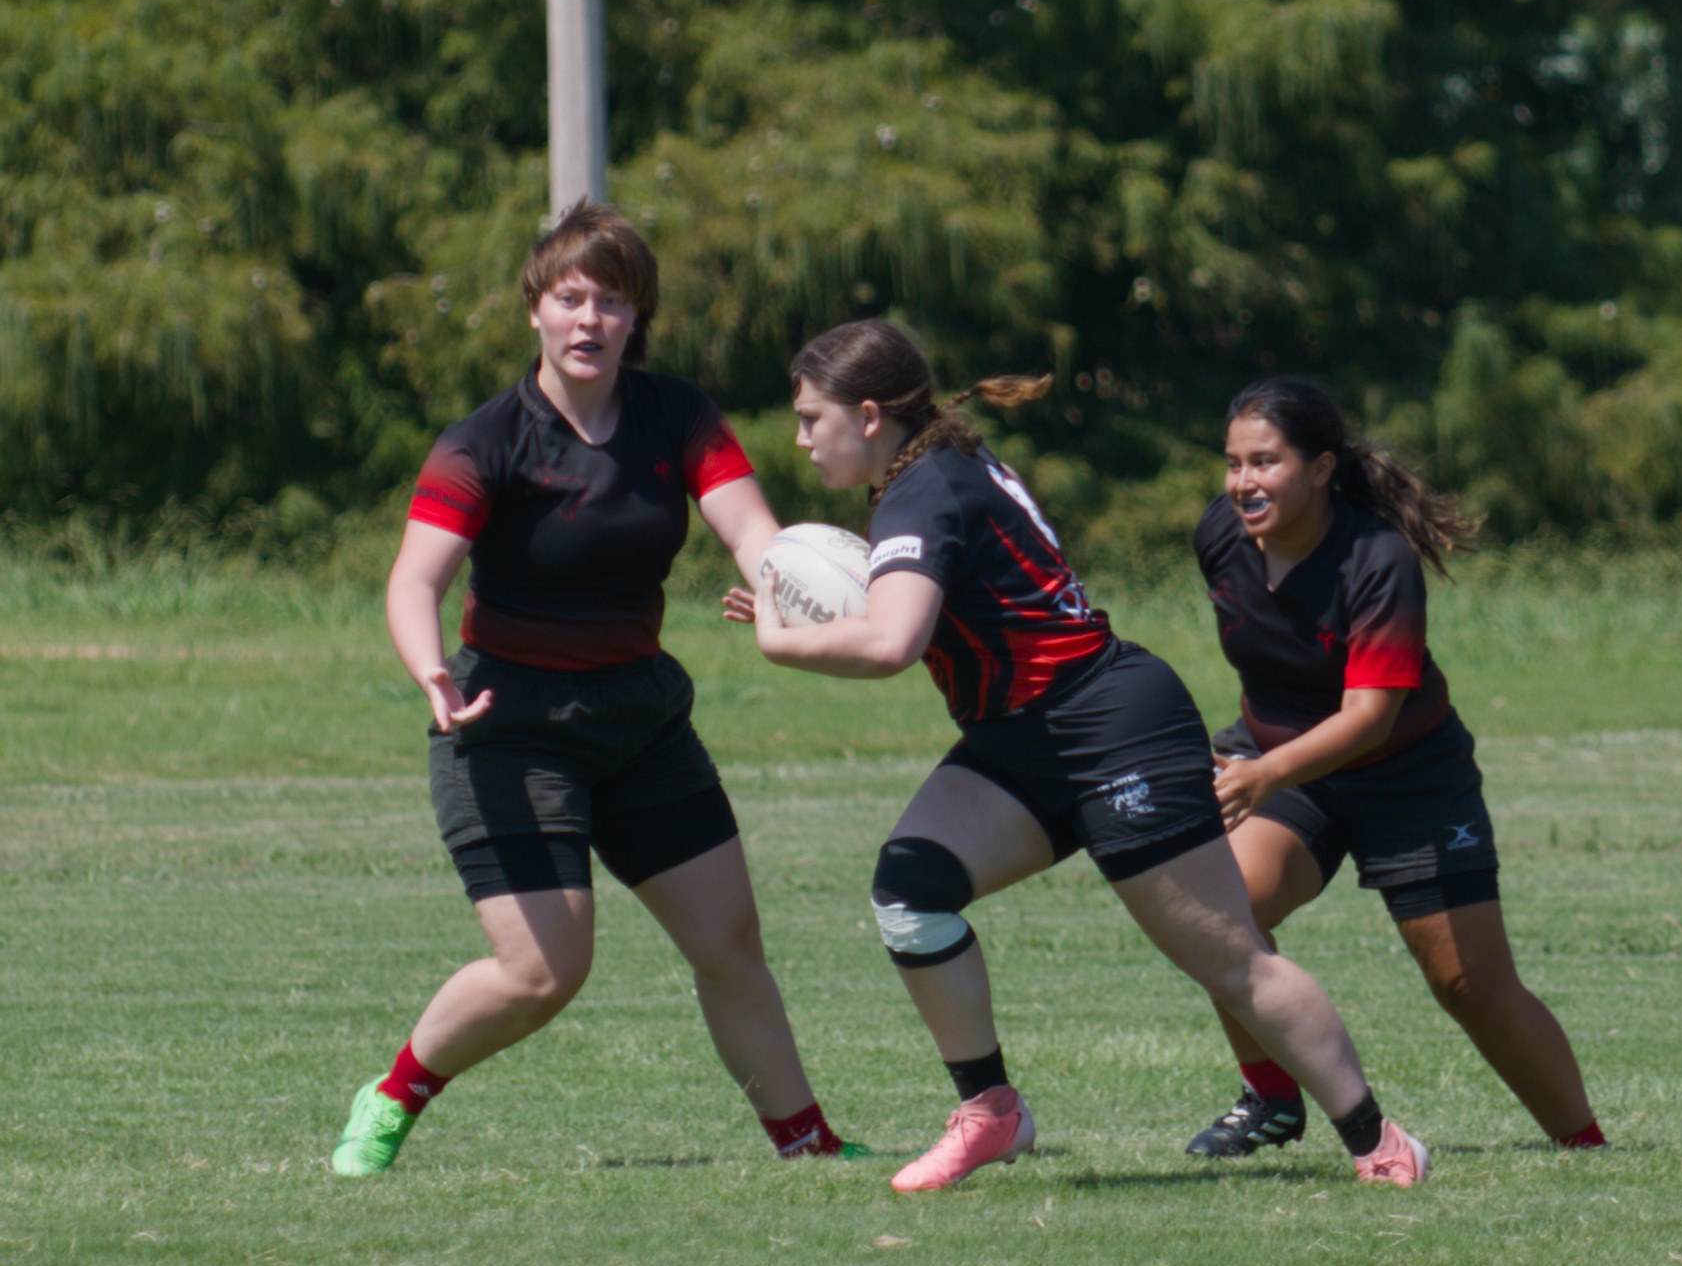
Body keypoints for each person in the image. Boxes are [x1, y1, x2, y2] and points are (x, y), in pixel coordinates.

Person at [749, 319, 1428, 1190]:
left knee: (1230, 958)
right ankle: (991, 1114)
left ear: (870, 414)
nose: (801, 439)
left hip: (1112, 728)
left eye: (812, 417)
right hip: (1022, 738)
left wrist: (779, 638)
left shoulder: (924, 491)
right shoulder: (935, 469)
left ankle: (1380, 1142)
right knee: (911, 893)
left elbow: (890, 642)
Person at [330, 201, 861, 1175]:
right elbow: (414, 580)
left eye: (611, 302)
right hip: (507, 727)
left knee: (728, 940)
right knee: (543, 970)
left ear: (636, 317)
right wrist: (429, 666)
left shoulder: (675, 416)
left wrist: (789, 585)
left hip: (638, 720)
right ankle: (395, 1092)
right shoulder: (486, 441)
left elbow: (751, 529)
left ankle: (808, 1144)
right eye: (570, 298)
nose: (590, 320)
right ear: (534, 308)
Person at [1186, 375, 1605, 1159]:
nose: (1243, 483)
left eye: (1266, 462)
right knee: (1217, 914)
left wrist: (1263, 773)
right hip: (1288, 770)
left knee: (1469, 986)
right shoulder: (1221, 535)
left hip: (1409, 778)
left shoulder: (1376, 559)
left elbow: (1368, 717)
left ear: (1321, 468)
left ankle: (1583, 1143)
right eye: (1234, 463)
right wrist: (1256, 761)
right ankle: (1271, 1097)